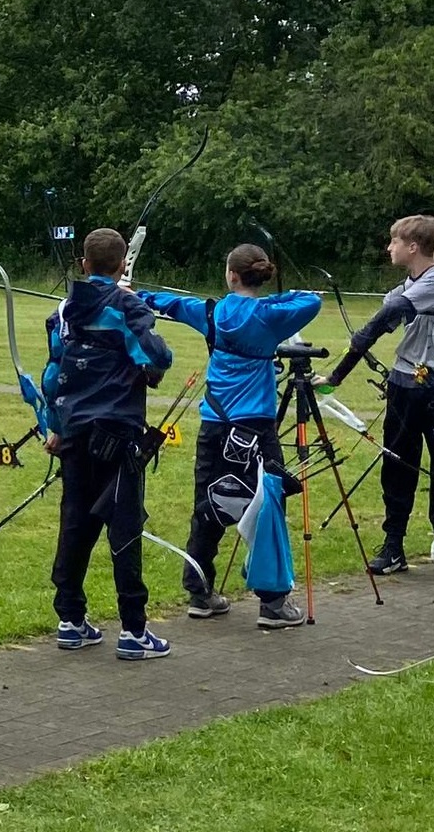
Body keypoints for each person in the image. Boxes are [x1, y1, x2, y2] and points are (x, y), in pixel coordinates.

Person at [137, 244, 322, 627]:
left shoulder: (211, 312)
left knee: (208, 504)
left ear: (231, 275)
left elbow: (168, 304)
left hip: (215, 425)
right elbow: (310, 301)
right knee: (267, 508)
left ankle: (199, 592)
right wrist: (275, 296)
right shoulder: (270, 315)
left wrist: (134, 294)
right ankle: (272, 603)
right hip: (255, 428)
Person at [42, 228, 177, 660]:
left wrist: (54, 423)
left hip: (76, 430)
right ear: (121, 266)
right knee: (124, 526)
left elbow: (52, 372)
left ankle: (70, 619)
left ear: (84, 264)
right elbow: (157, 357)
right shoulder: (125, 305)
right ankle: (134, 631)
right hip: (117, 431)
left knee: (75, 520)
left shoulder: (65, 307)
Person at [319, 215, 434, 582]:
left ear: (413, 246)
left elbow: (388, 314)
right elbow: (386, 315)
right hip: (404, 386)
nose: (388, 248)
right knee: (397, 467)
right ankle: (394, 546)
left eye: (393, 241)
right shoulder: (405, 288)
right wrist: (337, 376)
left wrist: (362, 337)